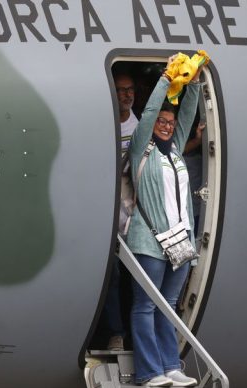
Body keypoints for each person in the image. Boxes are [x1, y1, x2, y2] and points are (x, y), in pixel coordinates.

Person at [126, 54, 203, 387]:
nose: (167, 125)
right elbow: (147, 117)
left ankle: (170, 365)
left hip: (180, 242)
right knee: (145, 305)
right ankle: (150, 370)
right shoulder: (143, 148)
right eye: (162, 121)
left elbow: (186, 114)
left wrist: (195, 81)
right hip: (150, 240)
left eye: (170, 123)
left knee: (168, 306)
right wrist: (163, 81)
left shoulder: (174, 152)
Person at [102, 72, 140, 351]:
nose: (126, 95)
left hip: (132, 210)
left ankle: (135, 335)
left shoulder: (140, 126)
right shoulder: (102, 123)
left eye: (130, 90)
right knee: (111, 274)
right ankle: (116, 333)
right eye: (120, 90)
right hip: (106, 210)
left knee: (136, 274)